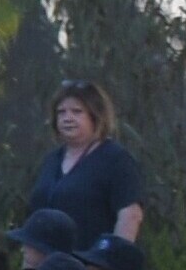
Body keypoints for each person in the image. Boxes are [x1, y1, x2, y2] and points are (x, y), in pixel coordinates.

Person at [33, 81, 152, 247]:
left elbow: (130, 215)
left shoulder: (115, 159)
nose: (67, 118)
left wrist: (111, 263)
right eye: (61, 112)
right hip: (49, 267)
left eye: (77, 112)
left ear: (96, 116)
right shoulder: (51, 161)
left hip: (92, 267)